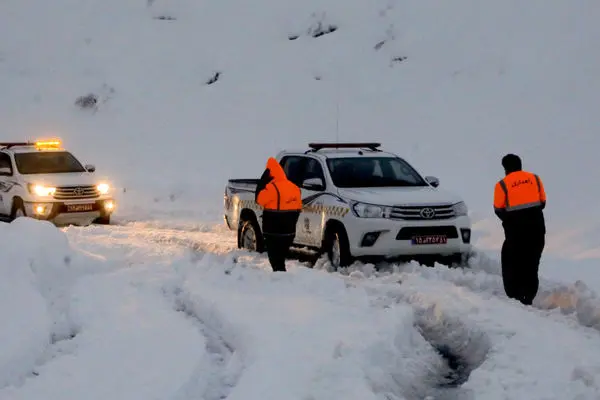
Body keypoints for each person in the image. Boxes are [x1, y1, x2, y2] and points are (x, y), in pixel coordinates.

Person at [493, 153, 547, 305]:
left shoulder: (502, 185)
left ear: (505, 168)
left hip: (515, 233)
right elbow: (542, 202)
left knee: (512, 261)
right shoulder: (535, 179)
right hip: (537, 230)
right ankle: (528, 295)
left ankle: (515, 295)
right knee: (532, 263)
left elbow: (498, 209)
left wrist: (512, 220)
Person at [255, 157, 302, 271]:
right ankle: (281, 277)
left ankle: (279, 280)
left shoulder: (271, 188)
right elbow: (298, 207)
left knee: (275, 258)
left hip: (273, 231)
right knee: (280, 258)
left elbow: (259, 199)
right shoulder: (294, 187)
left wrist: (262, 182)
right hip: (289, 231)